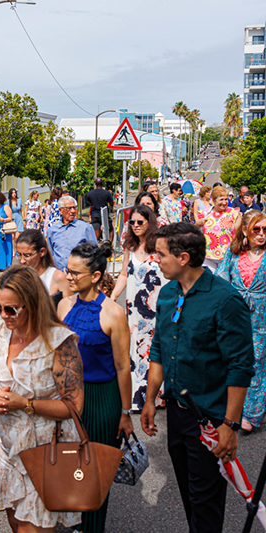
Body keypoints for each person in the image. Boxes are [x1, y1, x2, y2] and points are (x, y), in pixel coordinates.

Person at [142, 222, 255, 533]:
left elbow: (240, 366)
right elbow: (159, 349)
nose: (155, 259)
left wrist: (230, 425)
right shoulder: (167, 293)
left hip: (211, 419)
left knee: (206, 505)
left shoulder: (225, 300)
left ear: (183, 258)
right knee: (190, 497)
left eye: (161, 254)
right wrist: (150, 399)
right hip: (178, 416)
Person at [0, 265, 85, 532]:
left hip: (47, 451)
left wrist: (25, 404)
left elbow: (74, 407)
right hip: (9, 449)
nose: (3, 315)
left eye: (11, 309)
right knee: (16, 524)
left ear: (33, 304)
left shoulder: (59, 342)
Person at [59, 243, 133, 533]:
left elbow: (122, 367)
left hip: (102, 400)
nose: (69, 277)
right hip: (67, 399)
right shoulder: (64, 305)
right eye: (67, 270)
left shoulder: (113, 313)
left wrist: (125, 412)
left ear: (96, 275)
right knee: (70, 468)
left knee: (96, 473)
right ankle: (76, 524)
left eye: (76, 273)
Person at [110, 205, 167, 411]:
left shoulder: (160, 245)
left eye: (139, 222)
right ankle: (138, 397)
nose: (135, 226)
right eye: (132, 222)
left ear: (149, 222)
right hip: (134, 309)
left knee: (155, 350)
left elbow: (169, 274)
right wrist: (113, 296)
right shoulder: (130, 246)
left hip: (157, 307)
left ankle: (158, 396)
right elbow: (124, 274)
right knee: (136, 350)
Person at [217, 212, 266, 432]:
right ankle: (231, 408)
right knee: (231, 359)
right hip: (234, 317)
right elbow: (220, 279)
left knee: (256, 364)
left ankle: (252, 414)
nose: (262, 234)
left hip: (261, 319)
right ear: (245, 229)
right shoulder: (233, 252)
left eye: (265, 230)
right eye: (257, 229)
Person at [16, 229, 71, 301]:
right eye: (19, 254)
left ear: (42, 252)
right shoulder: (18, 277)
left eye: (27, 255)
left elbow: (69, 308)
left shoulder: (56, 277)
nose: (22, 261)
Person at [46, 195, 98, 271]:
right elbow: (50, 255)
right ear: (60, 210)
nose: (73, 211)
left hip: (79, 274)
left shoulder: (85, 228)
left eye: (74, 208)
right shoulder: (52, 231)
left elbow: (95, 253)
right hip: (59, 275)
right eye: (69, 208)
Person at [201, 186, 241, 272]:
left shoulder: (234, 213)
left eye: (226, 199)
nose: (224, 202)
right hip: (207, 256)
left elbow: (239, 234)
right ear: (214, 200)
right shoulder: (205, 213)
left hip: (226, 256)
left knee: (222, 282)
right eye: (221, 200)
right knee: (208, 282)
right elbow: (195, 231)